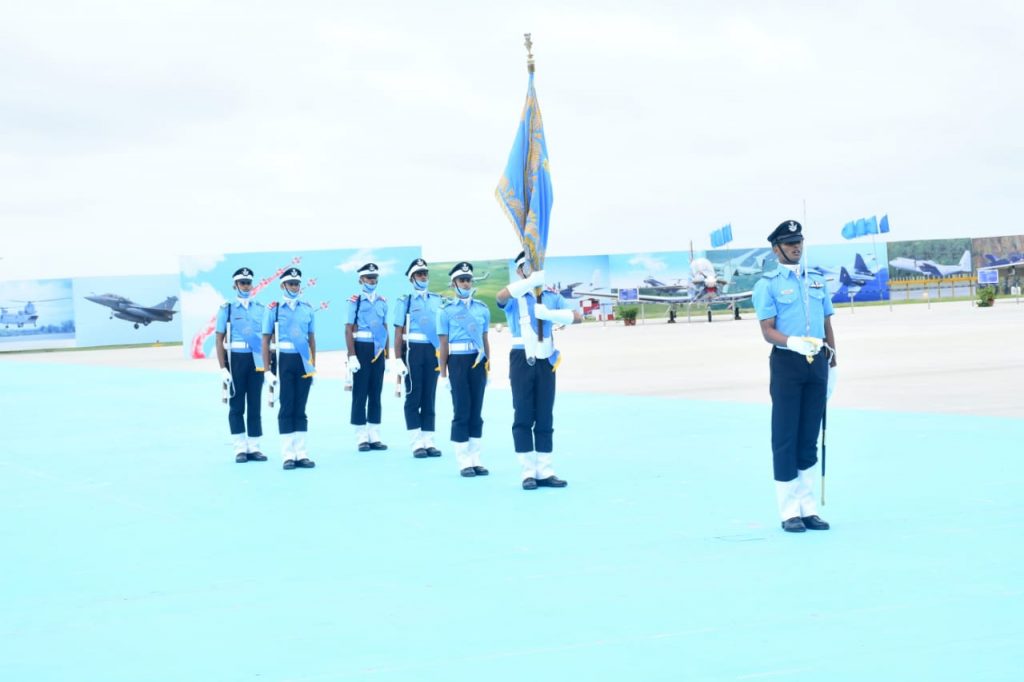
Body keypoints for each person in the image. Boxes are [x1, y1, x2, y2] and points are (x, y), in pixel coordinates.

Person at [752, 220, 837, 532]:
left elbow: (827, 322)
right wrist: (791, 342)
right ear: (777, 249)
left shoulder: (816, 280)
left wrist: (833, 362)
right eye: (789, 244)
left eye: (798, 242)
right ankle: (789, 511)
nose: (796, 247)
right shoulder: (768, 285)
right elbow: (767, 330)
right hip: (788, 363)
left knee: (809, 437)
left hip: (817, 363)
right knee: (786, 436)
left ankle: (809, 508)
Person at [496, 251, 582, 490]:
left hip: (546, 358)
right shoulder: (517, 295)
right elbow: (500, 297)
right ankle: (527, 471)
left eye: (536, 267)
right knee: (523, 413)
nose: (533, 271)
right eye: (527, 267)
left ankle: (545, 470)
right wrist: (527, 284)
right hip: (522, 357)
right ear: (520, 270)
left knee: (545, 414)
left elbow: (578, 317)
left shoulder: (551, 296)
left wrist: (551, 315)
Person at [437, 262, 491, 478]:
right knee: (462, 410)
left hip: (478, 362)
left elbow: (485, 339)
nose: (466, 283)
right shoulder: (446, 311)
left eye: (468, 279)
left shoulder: (482, 309)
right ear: (454, 284)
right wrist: (443, 374)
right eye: (462, 280)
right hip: (457, 362)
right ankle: (463, 460)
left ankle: (476, 459)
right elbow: (443, 344)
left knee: (476, 411)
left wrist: (488, 366)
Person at [262, 267, 317, 470]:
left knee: (300, 408)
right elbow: (266, 339)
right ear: (283, 285)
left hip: (303, 361)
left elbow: (311, 339)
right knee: (286, 406)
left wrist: (313, 366)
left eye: (297, 284)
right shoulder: (274, 309)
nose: (295, 287)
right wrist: (267, 369)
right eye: (291, 283)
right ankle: (288, 455)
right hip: (283, 359)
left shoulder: (307, 308)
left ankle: (301, 453)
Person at [215, 267, 267, 463]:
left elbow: (266, 338)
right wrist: (222, 368)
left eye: (248, 282)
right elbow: (219, 339)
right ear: (235, 285)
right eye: (242, 282)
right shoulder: (227, 309)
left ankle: (254, 447)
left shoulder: (260, 309)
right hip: (236, 359)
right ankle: (239, 448)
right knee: (236, 405)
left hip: (256, 359)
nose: (246, 286)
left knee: (255, 403)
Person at [393, 258, 443, 458]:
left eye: (425, 274)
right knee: (414, 395)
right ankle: (416, 442)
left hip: (432, 351)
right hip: (412, 351)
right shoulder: (404, 301)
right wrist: (398, 358)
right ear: (412, 278)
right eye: (419, 274)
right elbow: (398, 333)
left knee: (429, 396)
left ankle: (429, 440)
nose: (423, 277)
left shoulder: (437, 299)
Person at [346, 263, 389, 452]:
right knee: (360, 392)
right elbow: (348, 329)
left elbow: (385, 328)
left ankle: (374, 435)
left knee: (376, 392)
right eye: (368, 278)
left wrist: (387, 356)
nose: (372, 281)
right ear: (361, 280)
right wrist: (352, 355)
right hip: (361, 348)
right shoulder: (355, 301)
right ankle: (361, 436)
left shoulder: (382, 301)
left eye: (374, 278)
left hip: (378, 349)